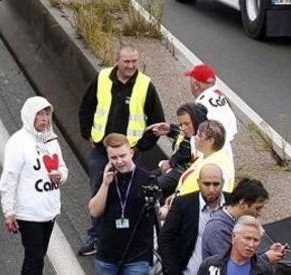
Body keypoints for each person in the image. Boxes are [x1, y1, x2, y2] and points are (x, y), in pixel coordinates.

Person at [78, 46, 167, 257]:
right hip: (101, 150)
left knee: (132, 194)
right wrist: (88, 135)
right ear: (117, 60)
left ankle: (129, 237)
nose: (131, 66)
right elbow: (87, 107)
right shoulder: (102, 79)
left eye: (134, 62)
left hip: (131, 154)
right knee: (99, 190)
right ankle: (96, 236)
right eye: (126, 62)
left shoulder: (145, 85)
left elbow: (157, 124)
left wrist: (140, 147)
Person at [0, 96, 69, 275]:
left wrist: (60, 176)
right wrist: (9, 212)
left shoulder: (51, 141)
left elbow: (63, 168)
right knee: (34, 256)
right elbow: (9, 178)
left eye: (47, 114)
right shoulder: (18, 142)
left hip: (49, 210)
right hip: (29, 213)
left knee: (39, 255)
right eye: (39, 114)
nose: (44, 118)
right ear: (30, 115)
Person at [88, 133, 155, 274]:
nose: (119, 161)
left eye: (122, 156)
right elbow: (94, 211)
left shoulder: (147, 179)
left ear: (131, 152)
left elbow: (157, 212)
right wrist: (105, 184)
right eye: (113, 157)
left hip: (137, 256)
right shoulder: (105, 176)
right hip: (107, 254)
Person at [159, 163, 226, 275]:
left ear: (223, 183)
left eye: (216, 184)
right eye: (206, 184)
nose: (211, 189)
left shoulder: (232, 203)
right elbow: (165, 238)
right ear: (198, 183)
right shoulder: (183, 204)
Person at [201, 178, 276, 263]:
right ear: (242, 203)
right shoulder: (217, 229)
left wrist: (268, 251)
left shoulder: (240, 223)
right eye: (257, 208)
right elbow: (231, 265)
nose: (259, 213)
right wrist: (266, 259)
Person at [152, 102, 209, 196]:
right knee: (145, 180)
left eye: (187, 124)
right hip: (178, 168)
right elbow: (181, 134)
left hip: (186, 175)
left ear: (197, 121)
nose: (183, 128)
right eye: (181, 124)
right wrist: (171, 130)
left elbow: (186, 152)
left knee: (153, 187)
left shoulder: (202, 138)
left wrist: (170, 163)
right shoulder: (187, 131)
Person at [196, 215, 279, 275]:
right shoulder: (211, 265)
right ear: (233, 237)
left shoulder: (264, 270)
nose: (251, 244)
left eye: (256, 240)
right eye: (247, 238)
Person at [186, 64, 238, 153]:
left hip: (208, 155)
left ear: (196, 84)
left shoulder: (200, 107)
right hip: (225, 152)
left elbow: (194, 137)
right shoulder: (221, 98)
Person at [176, 120, 235, 196]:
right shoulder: (207, 156)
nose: (195, 137)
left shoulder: (218, 169)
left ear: (210, 141)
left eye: (200, 136)